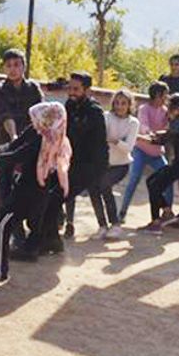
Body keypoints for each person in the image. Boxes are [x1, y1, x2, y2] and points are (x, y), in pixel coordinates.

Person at [0, 102, 73, 274]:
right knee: (0, 225)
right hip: (25, 190)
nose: (33, 122)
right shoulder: (40, 133)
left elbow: (17, 155)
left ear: (46, 121)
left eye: (37, 119)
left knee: (2, 225)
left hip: (29, 195)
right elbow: (14, 146)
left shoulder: (44, 140)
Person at [139, 94, 179, 234]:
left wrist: (142, 138)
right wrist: (155, 134)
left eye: (172, 107)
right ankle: (168, 213)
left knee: (155, 186)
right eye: (170, 107)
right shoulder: (178, 121)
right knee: (151, 181)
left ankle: (156, 224)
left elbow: (164, 139)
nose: (169, 110)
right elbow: (168, 133)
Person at [62, 72, 108, 239]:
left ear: (87, 90)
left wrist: (100, 166)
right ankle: (69, 223)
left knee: (94, 192)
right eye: (70, 88)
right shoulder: (69, 105)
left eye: (76, 89)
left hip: (91, 160)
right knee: (68, 191)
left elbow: (99, 141)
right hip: (73, 156)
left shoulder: (95, 111)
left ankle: (103, 225)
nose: (71, 92)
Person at [119, 82, 171, 221]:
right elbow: (144, 127)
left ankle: (168, 213)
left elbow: (168, 128)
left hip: (157, 153)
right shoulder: (144, 109)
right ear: (157, 95)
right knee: (134, 179)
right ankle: (122, 212)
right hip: (141, 150)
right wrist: (152, 134)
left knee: (168, 179)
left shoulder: (165, 111)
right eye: (165, 95)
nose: (166, 98)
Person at [91, 89, 138, 239]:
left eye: (123, 103)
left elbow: (128, 147)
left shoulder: (133, 123)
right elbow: (99, 136)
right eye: (117, 103)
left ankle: (115, 224)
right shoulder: (106, 117)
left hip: (120, 165)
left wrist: (114, 141)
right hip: (102, 163)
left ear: (129, 105)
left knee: (104, 185)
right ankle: (102, 225)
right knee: (93, 189)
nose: (119, 106)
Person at [0, 48, 43, 145]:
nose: (12, 69)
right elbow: (5, 115)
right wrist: (14, 136)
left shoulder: (33, 88)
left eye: (16, 65)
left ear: (24, 67)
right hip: (5, 142)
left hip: (30, 141)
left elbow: (40, 113)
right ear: (4, 68)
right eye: (8, 65)